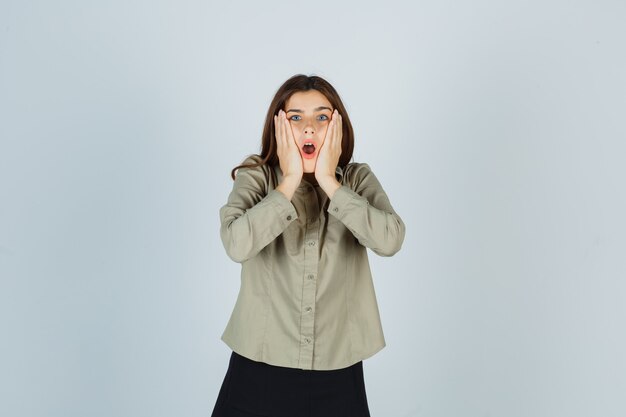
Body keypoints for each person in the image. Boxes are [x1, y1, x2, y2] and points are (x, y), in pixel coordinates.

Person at [211, 74, 406, 417]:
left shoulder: (357, 180)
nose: (309, 129)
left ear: (337, 125)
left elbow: (390, 239)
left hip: (338, 371)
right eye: (296, 117)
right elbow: (236, 244)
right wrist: (288, 182)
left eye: (322, 116)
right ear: (279, 126)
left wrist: (331, 183)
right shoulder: (257, 176)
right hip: (258, 367)